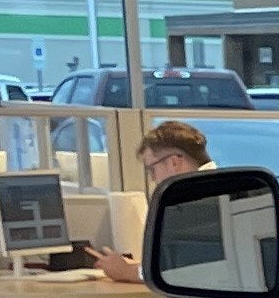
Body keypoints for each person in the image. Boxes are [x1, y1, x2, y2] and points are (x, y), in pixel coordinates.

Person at [90, 119, 210, 288]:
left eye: (152, 169)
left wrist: (127, 271)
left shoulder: (195, 198)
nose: (153, 178)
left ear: (174, 162)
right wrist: (139, 267)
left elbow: (179, 272)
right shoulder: (215, 186)